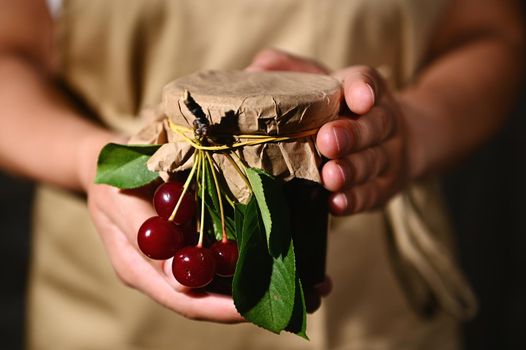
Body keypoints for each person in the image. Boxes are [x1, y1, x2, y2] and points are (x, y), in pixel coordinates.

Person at [0, 0, 524, 349]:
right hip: (107, 304)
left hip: (370, 302)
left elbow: (491, 32)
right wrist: (89, 161)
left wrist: (411, 132)